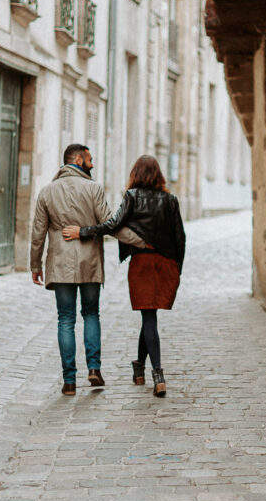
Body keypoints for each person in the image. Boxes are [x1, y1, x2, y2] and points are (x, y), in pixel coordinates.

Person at [30, 143, 147, 396]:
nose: (92, 164)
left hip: (60, 264)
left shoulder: (47, 192)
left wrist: (34, 265)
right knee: (91, 314)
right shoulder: (93, 189)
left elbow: (38, 233)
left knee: (65, 319)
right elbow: (110, 225)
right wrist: (142, 241)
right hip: (90, 263)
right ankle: (94, 369)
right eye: (90, 159)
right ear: (79, 159)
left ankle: (69, 381)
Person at [63, 155, 185, 397]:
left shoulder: (132, 197)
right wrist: (176, 269)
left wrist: (83, 232)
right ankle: (139, 368)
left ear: (135, 174)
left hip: (142, 263)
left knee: (148, 315)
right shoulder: (171, 200)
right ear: (159, 174)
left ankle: (157, 374)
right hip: (165, 263)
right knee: (149, 315)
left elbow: (112, 225)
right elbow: (180, 237)